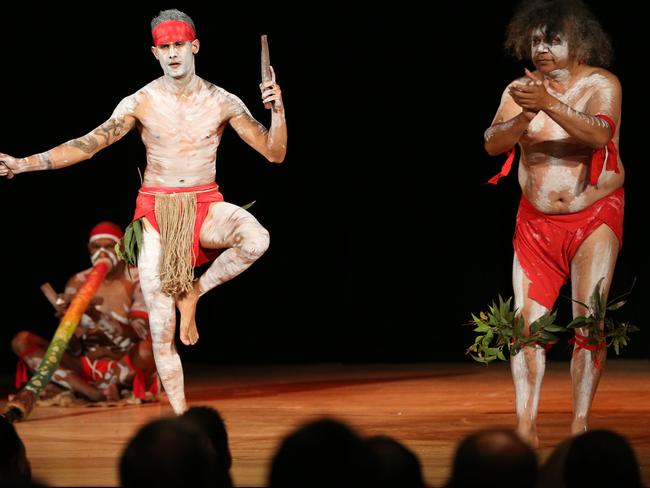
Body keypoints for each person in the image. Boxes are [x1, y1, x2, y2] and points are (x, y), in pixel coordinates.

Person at [1, 8, 287, 415]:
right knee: (160, 324)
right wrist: (25, 162)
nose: (172, 54)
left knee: (258, 238)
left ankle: (194, 293)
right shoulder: (142, 101)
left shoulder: (223, 101)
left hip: (205, 204)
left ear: (195, 46)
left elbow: (275, 154)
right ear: (155, 52)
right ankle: (182, 418)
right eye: (164, 47)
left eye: (179, 45)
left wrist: (277, 111)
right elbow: (88, 144)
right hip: (155, 214)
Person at [483, 0, 624, 446]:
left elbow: (600, 133)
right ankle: (526, 423)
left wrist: (549, 103)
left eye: (553, 39)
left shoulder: (601, 83)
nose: (541, 48)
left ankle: (579, 423)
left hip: (594, 217)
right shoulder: (517, 90)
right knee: (526, 326)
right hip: (536, 223)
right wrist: (526, 114)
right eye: (536, 40)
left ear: (578, 44)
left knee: (589, 321)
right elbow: (491, 144)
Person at [11, 221, 158, 403]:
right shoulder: (77, 281)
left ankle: (93, 387)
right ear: (89, 249)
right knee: (22, 340)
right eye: (96, 247)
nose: (102, 253)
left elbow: (140, 334)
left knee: (149, 349)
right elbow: (74, 348)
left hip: (125, 362)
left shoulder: (139, 279)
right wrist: (68, 323)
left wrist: (97, 316)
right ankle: (91, 392)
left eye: (109, 246)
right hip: (85, 364)